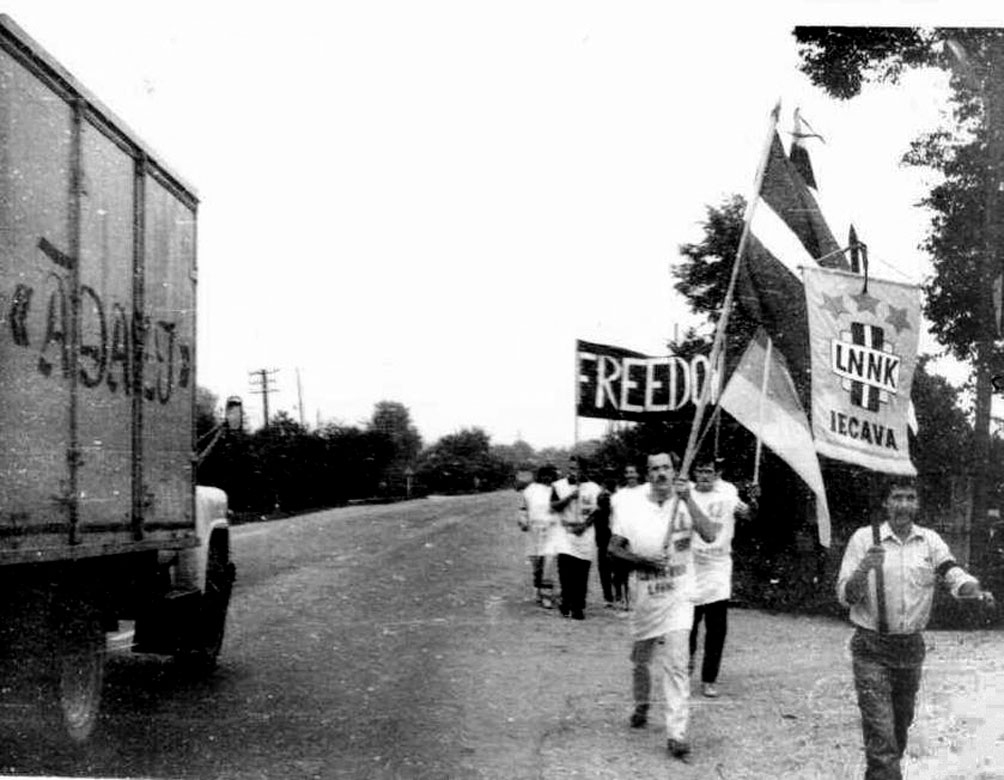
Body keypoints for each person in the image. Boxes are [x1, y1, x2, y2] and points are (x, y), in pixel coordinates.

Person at [837, 477, 995, 780]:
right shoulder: (863, 539)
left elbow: (951, 572)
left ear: (918, 504)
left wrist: (972, 589)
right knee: (882, 736)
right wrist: (864, 568)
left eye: (910, 498)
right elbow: (846, 597)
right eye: (897, 497)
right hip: (871, 647)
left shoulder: (929, 541)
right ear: (886, 503)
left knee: (896, 731)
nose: (904, 505)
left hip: (910, 649)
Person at [607, 452, 720, 762]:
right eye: (654, 469)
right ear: (647, 473)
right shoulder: (630, 506)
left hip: (680, 597)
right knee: (640, 658)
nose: (661, 474)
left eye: (666, 468)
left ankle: (677, 733)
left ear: (674, 471)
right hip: (645, 597)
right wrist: (643, 561)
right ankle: (642, 703)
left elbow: (710, 534)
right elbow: (613, 549)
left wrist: (688, 500)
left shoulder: (686, 499)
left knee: (676, 663)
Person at [688, 455, 755, 698]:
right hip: (692, 564)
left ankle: (709, 678)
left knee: (716, 628)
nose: (703, 476)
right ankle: (688, 659)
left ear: (717, 474)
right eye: (700, 471)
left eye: (708, 471)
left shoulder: (728, 491)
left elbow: (746, 515)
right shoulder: (686, 492)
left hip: (718, 565)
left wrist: (752, 503)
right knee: (689, 624)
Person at [551, 456, 601, 620]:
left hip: (585, 532)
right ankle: (566, 601)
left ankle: (578, 606)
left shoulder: (594, 488)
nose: (574, 472)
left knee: (581, 570)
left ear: (584, 470)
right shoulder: (559, 486)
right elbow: (553, 506)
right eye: (571, 468)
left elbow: (598, 511)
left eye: (577, 469)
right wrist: (569, 497)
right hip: (565, 531)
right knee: (566, 569)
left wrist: (585, 525)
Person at [517, 464, 560, 609]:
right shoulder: (530, 490)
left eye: (550, 475)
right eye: (544, 475)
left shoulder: (557, 489)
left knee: (548, 561)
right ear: (540, 476)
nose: (547, 478)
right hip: (534, 529)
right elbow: (523, 508)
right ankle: (538, 590)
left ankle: (547, 595)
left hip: (552, 530)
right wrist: (523, 520)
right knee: (536, 563)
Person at [609, 462, 643, 611]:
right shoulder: (618, 495)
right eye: (627, 472)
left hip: (639, 534)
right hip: (620, 535)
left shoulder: (645, 492)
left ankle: (634, 601)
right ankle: (621, 599)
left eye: (633, 472)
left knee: (636, 570)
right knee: (619, 571)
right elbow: (613, 515)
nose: (630, 475)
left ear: (638, 474)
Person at [592, 468, 620, 610]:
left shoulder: (620, 496)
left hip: (616, 535)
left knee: (617, 568)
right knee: (605, 568)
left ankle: (617, 596)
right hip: (604, 535)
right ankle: (608, 597)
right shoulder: (602, 496)